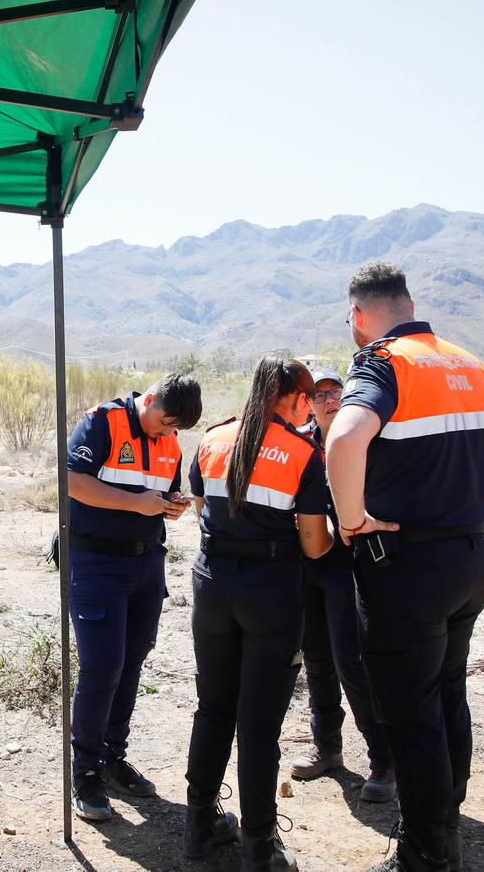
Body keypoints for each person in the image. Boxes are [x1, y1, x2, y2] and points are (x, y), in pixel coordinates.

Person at [324, 262, 484, 872]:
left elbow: (346, 438)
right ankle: (444, 821)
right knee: (447, 694)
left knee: (409, 711)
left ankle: (426, 852)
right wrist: (471, 508)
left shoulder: (382, 361)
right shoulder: (467, 363)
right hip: (469, 556)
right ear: (408, 301)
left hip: (407, 568)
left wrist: (352, 520)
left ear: (358, 314)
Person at [183, 357, 332, 872]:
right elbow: (314, 546)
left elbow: (203, 509)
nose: (308, 408)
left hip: (212, 584)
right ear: (292, 399)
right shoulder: (302, 451)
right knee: (259, 724)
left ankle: (198, 827)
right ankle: (258, 848)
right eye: (308, 398)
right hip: (269, 591)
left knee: (213, 708)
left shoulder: (212, 439)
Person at [63, 372, 202, 821]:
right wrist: (137, 503)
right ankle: (84, 773)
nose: (168, 433)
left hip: (147, 563)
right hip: (96, 562)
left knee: (131, 663)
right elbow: (70, 481)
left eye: (175, 429)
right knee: (102, 668)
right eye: (165, 422)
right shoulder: (103, 422)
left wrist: (172, 506)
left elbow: (162, 495)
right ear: (153, 398)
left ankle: (112, 756)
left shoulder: (172, 442)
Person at [289, 367, 395, 801]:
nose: (330, 399)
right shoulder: (301, 444)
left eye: (336, 391)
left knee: (353, 661)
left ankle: (384, 760)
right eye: (320, 395)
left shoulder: (368, 434)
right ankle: (328, 747)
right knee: (316, 657)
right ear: (308, 404)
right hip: (310, 563)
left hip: (352, 564)